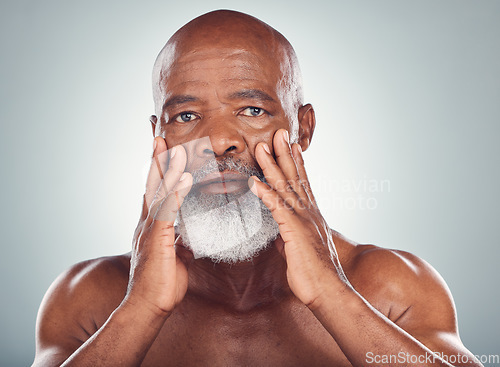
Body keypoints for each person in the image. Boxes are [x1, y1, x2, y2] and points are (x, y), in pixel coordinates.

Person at [32, 10, 482, 367]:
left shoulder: (392, 288)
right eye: (186, 116)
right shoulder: (87, 299)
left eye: (251, 109)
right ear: (159, 138)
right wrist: (141, 309)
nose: (219, 140)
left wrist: (331, 293)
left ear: (302, 128)